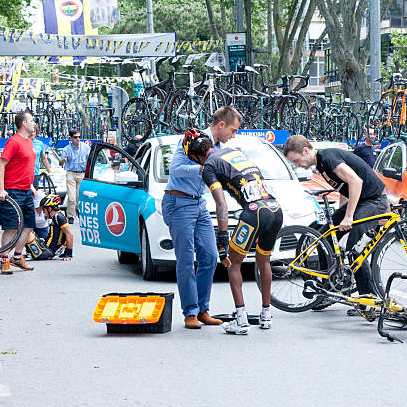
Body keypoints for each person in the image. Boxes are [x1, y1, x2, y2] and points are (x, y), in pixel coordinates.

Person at [184, 128, 283, 335]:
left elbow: (221, 204)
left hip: (254, 212)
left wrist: (222, 239)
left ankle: (241, 320)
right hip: (274, 209)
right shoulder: (233, 152)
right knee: (263, 261)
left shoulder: (208, 166)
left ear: (195, 156)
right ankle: (266, 316)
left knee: (232, 263)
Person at [162, 106, 241, 329]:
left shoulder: (217, 148)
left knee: (209, 254)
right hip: (179, 202)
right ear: (221, 125)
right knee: (186, 259)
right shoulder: (192, 140)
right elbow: (175, 169)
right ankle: (190, 313)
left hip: (199, 203)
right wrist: (203, 168)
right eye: (233, 130)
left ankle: (203, 309)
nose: (233, 136)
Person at [283, 136, 387, 301]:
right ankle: (329, 289)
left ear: (305, 150)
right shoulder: (321, 164)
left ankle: (368, 298)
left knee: (356, 247)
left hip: (373, 200)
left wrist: (349, 216)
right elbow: (344, 188)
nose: (296, 165)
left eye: (296, 160)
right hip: (361, 200)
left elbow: (355, 181)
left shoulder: (328, 158)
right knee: (324, 238)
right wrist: (340, 215)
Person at [0, 111, 37, 274]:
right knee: (12, 227)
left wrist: (31, 186)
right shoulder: (14, 142)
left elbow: (25, 166)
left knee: (28, 226)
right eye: (31, 120)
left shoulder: (28, 142)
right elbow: (0, 165)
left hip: (26, 190)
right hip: (12, 191)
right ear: (24, 123)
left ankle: (17, 257)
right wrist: (1, 188)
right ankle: (4, 259)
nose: (34, 123)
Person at [25, 194, 73, 261]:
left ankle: (11, 255)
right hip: (45, 248)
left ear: (49, 209)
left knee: (25, 231)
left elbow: (70, 234)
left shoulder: (58, 216)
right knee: (26, 230)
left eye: (44, 210)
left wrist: (68, 254)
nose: (43, 213)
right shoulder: (56, 216)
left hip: (46, 252)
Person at [59, 130, 90, 224]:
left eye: (79, 137)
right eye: (75, 137)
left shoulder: (85, 148)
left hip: (81, 173)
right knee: (71, 197)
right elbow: (60, 163)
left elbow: (90, 160)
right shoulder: (66, 149)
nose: (78, 139)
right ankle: (70, 216)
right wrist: (63, 161)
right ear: (71, 138)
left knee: (79, 196)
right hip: (71, 173)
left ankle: (80, 211)